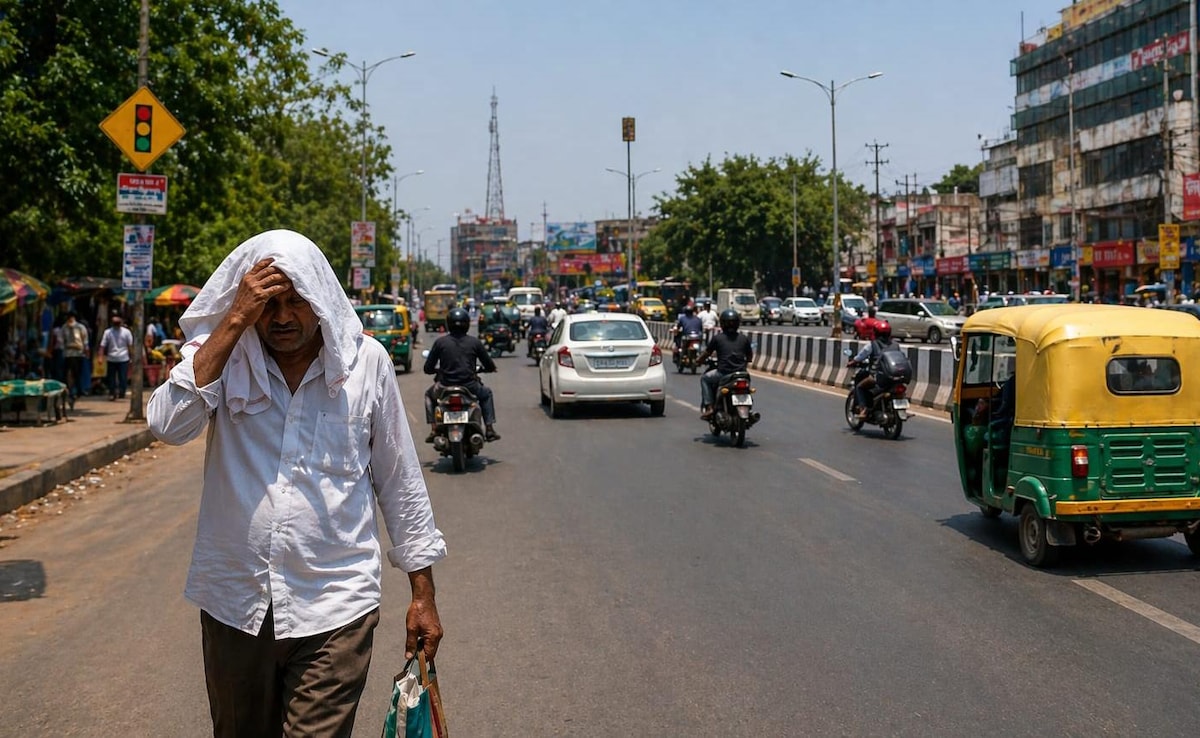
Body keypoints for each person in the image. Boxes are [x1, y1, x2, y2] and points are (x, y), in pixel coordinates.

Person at [147, 229, 446, 738]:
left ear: (321, 299)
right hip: (235, 603)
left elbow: (399, 479)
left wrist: (423, 592)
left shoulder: (365, 364)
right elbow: (168, 425)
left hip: (337, 605)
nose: (282, 318)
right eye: (268, 305)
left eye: (295, 302)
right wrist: (234, 319)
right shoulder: (222, 356)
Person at [424, 306, 500, 442]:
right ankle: (489, 429)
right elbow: (489, 364)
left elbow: (428, 368)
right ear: (467, 324)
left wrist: (438, 370)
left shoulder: (440, 342)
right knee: (486, 394)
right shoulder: (474, 342)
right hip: (470, 386)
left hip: (444, 387)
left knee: (429, 396)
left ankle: (434, 428)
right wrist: (488, 369)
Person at [698, 308, 754, 420]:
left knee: (704, 379)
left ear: (722, 323)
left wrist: (698, 361)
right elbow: (749, 357)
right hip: (742, 374)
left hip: (723, 373)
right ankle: (750, 409)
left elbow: (706, 353)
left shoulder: (717, 338)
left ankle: (709, 407)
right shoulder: (744, 338)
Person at [848, 319, 899, 419]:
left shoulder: (872, 344)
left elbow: (860, 357)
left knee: (859, 387)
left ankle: (863, 409)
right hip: (894, 377)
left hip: (879, 376)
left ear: (875, 332)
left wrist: (852, 362)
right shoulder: (896, 344)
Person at [99, 313, 134, 401]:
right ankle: (112, 393)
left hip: (123, 358)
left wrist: (131, 356)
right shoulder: (108, 332)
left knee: (122, 377)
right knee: (111, 378)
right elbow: (103, 345)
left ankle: (121, 392)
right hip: (112, 358)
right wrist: (100, 356)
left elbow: (130, 346)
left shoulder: (126, 332)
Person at [61, 311, 90, 408]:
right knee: (67, 374)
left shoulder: (80, 327)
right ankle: (69, 391)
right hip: (67, 354)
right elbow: (61, 341)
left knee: (77, 373)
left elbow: (85, 340)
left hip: (78, 354)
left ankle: (78, 391)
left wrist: (86, 350)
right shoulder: (64, 328)